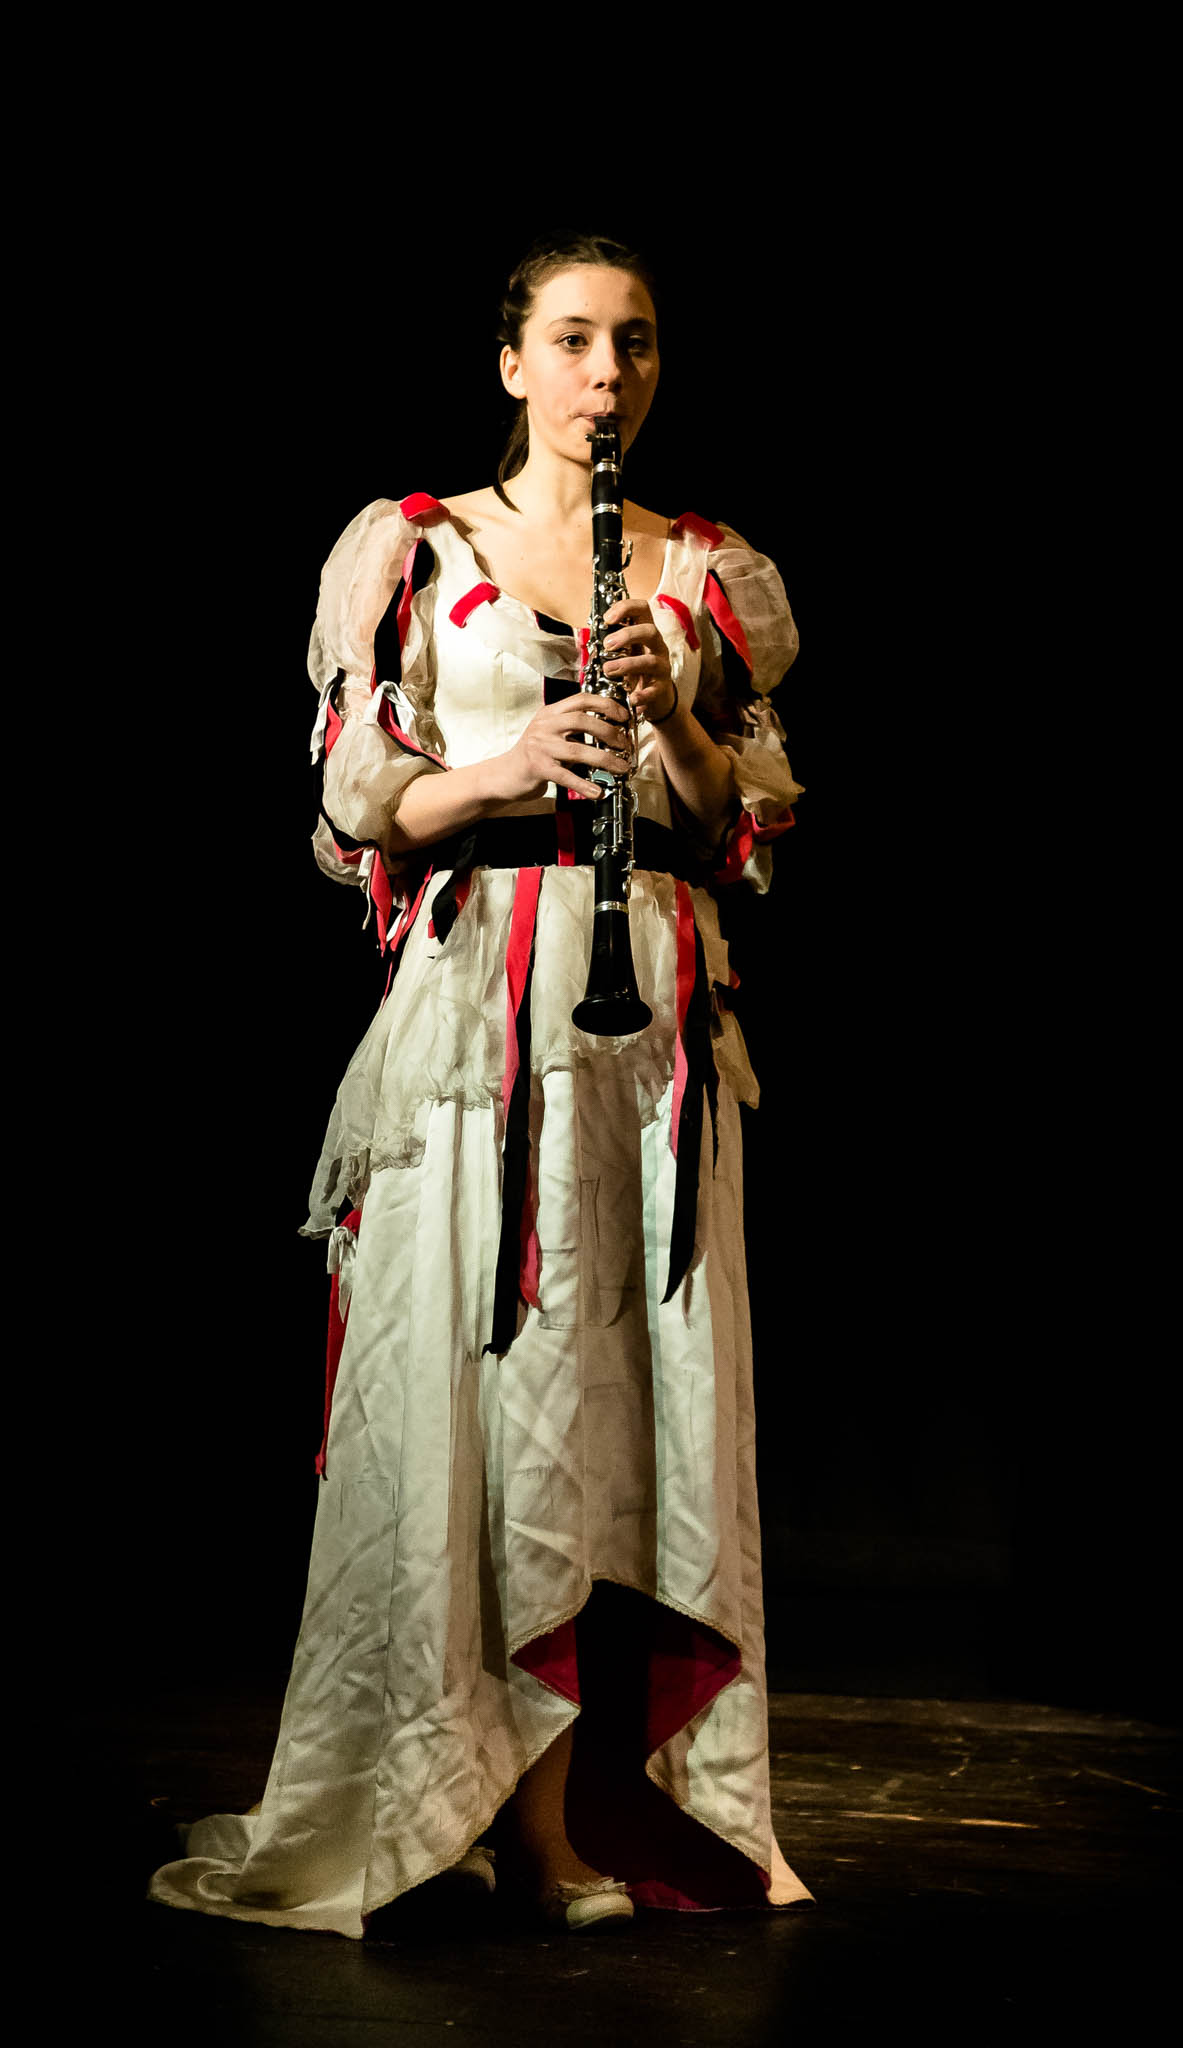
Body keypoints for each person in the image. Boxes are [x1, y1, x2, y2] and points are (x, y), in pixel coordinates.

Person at [148, 231, 810, 1939]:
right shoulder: (412, 550)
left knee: (629, 1401)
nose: (611, 375)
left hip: (650, 1018)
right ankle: (494, 1812)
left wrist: (670, 728)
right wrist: (512, 761)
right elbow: (359, 800)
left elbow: (750, 827)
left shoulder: (710, 572)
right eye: (577, 342)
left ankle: (595, 1809)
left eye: (638, 344)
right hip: (482, 1019)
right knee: (489, 1395)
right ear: (513, 364)